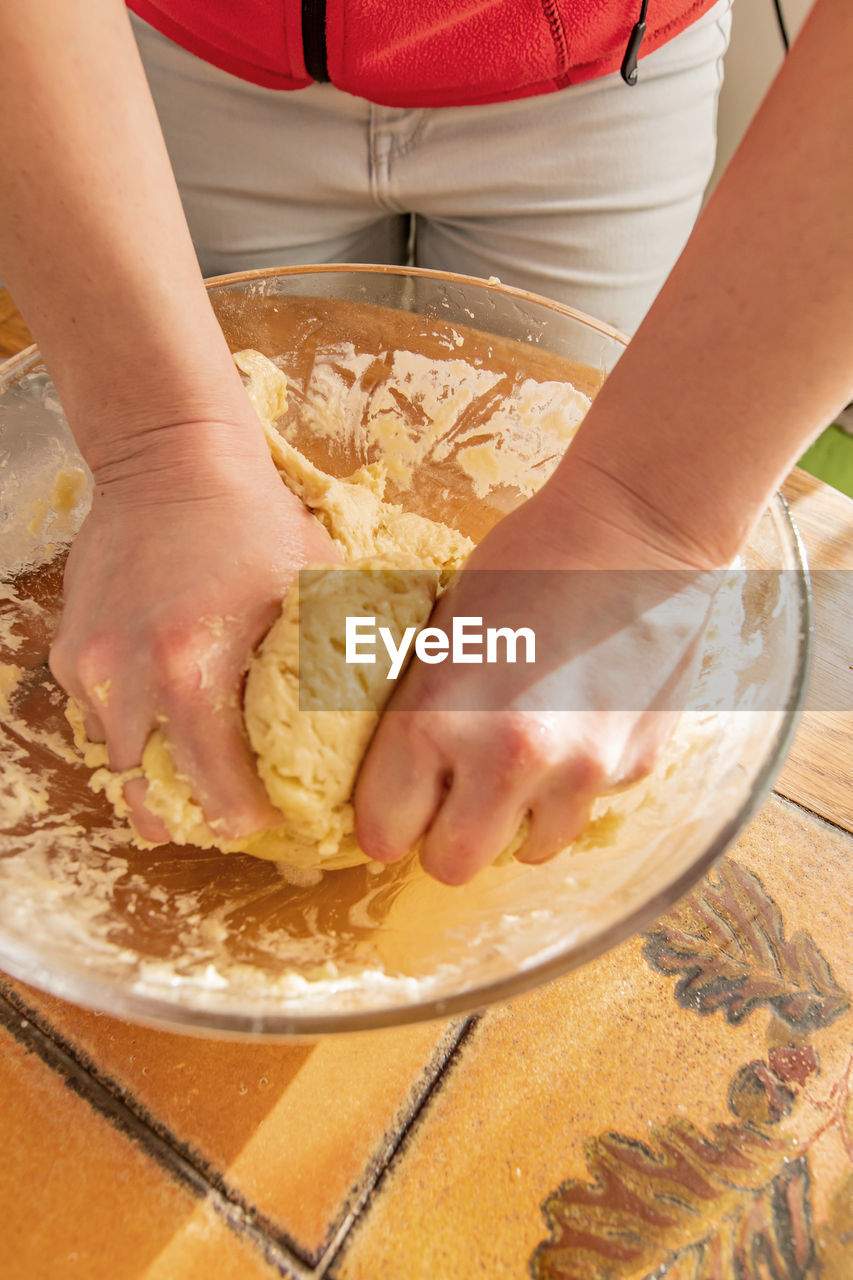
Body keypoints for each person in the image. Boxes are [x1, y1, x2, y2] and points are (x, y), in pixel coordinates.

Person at [0, 0, 850, 885]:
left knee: (556, 463)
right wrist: (166, 448)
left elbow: (632, 518)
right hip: (162, 60)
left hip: (604, 76)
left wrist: (645, 523)